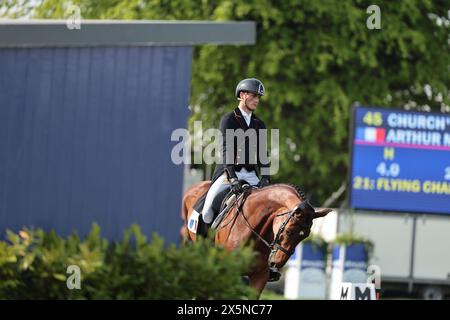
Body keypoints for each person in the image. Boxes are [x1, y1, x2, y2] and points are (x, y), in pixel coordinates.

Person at [200, 78, 271, 229]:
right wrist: (232, 177)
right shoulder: (229, 119)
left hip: (251, 175)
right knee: (206, 212)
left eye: (258, 97)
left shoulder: (259, 124)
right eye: (254, 96)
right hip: (228, 174)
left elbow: (263, 153)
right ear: (243, 95)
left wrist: (265, 177)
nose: (257, 100)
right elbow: (226, 149)